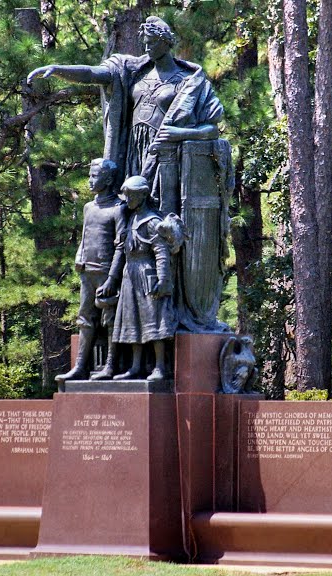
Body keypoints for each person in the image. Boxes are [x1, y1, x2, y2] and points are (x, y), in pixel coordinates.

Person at [26, 16, 223, 214]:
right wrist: (59, 69)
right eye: (145, 44)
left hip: (167, 156)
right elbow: (93, 74)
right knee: (131, 205)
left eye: (152, 43)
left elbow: (211, 130)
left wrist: (179, 134)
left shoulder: (191, 82)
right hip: (133, 151)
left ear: (165, 42)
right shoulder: (133, 71)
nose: (147, 49)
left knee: (164, 211)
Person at [56, 158, 127, 383]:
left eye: (94, 176)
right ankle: (79, 368)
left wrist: (112, 279)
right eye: (89, 175)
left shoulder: (118, 208)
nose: (89, 180)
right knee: (84, 319)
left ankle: (110, 366)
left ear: (107, 179)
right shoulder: (88, 207)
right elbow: (85, 236)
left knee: (110, 320)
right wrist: (79, 255)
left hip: (107, 274)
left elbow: (121, 246)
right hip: (87, 272)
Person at [111, 176, 175, 381]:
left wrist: (163, 279)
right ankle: (135, 366)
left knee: (154, 321)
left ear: (143, 195)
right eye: (126, 195)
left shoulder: (152, 221)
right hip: (129, 274)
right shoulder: (131, 218)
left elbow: (161, 252)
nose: (127, 199)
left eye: (130, 195)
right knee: (133, 320)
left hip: (147, 274)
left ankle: (160, 367)